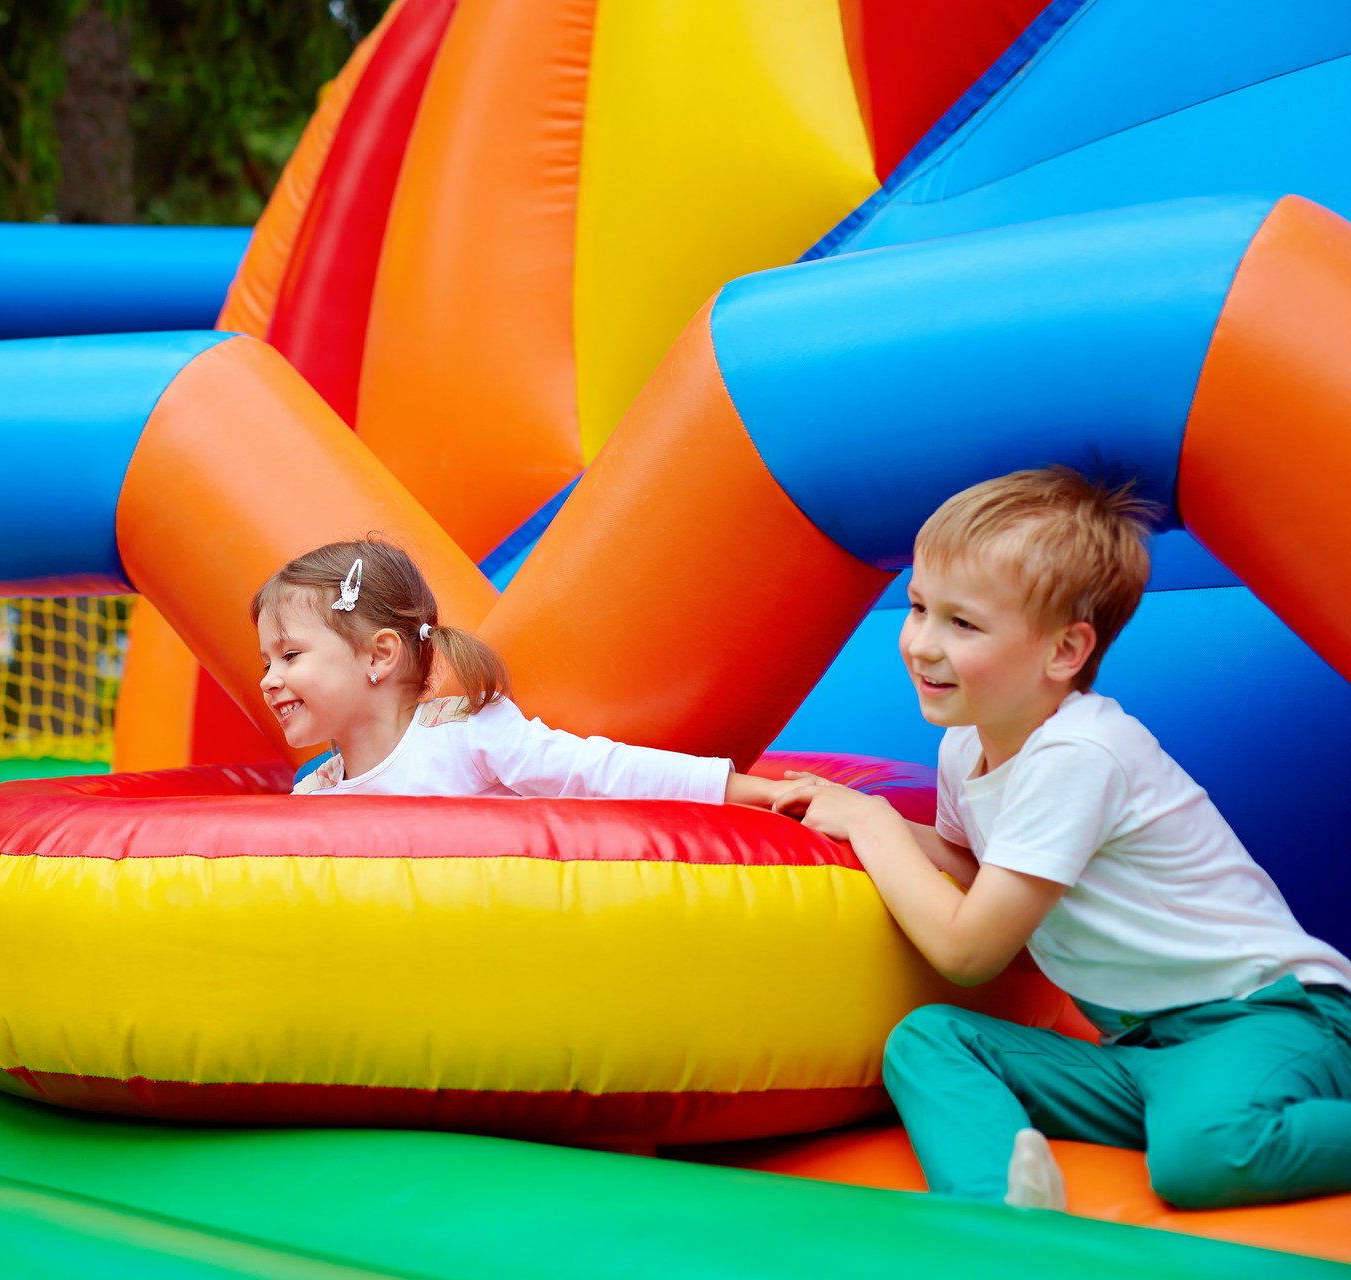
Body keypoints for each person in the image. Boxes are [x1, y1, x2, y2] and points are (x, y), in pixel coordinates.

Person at [772, 467, 1351, 1212]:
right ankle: (1005, 1211)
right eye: (917, 607)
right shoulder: (967, 744)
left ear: (1064, 652)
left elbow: (972, 951)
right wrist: (840, 807)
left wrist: (873, 823)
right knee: (930, 1040)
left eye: (963, 623)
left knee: (1206, 1155)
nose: (920, 644)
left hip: (1262, 1018)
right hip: (1141, 1055)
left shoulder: (1079, 754)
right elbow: (981, 868)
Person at [251, 538, 793, 806]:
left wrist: (750, 793)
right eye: (266, 662)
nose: (268, 679)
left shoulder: (466, 737)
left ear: (379, 656)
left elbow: (598, 772)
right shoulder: (314, 797)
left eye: (290, 656)